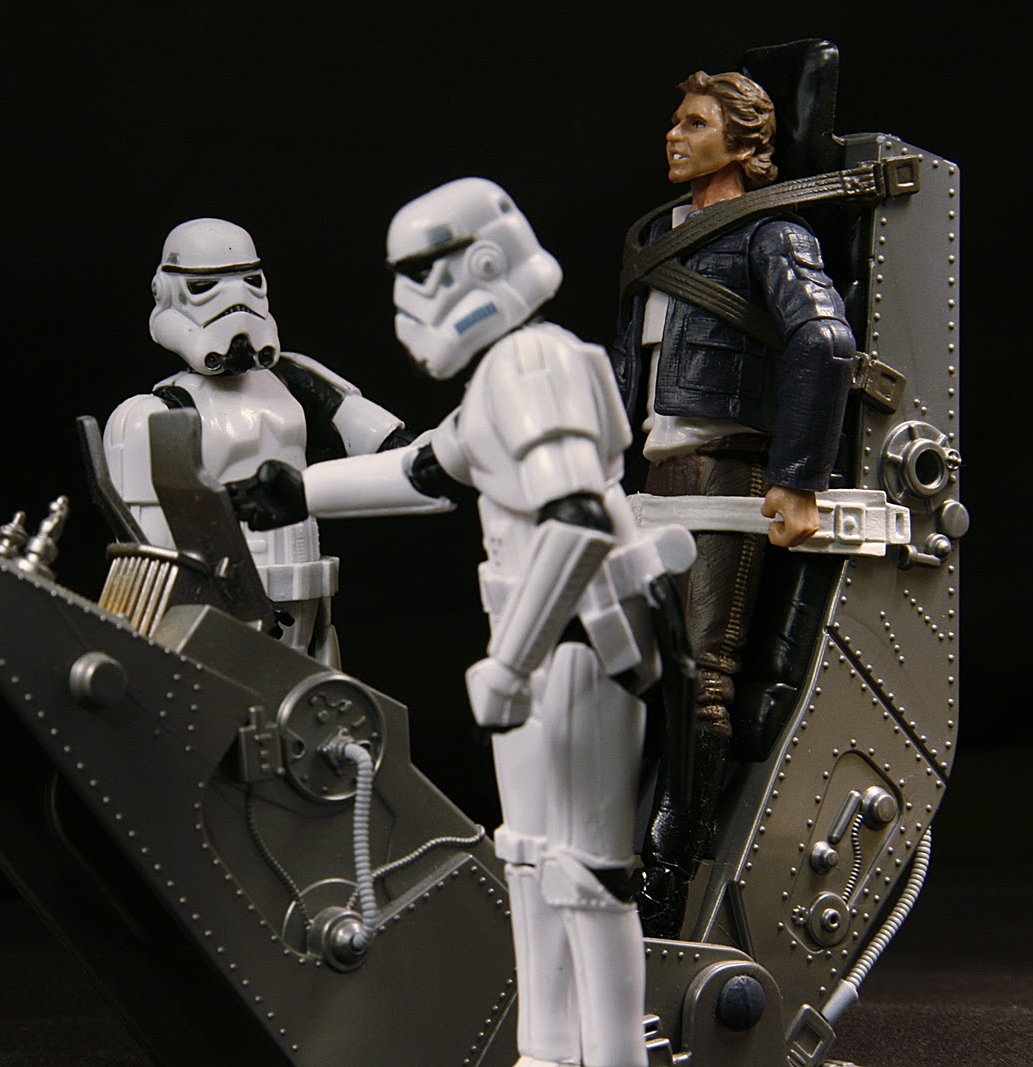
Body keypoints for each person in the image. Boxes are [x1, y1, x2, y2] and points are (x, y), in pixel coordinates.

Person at [230, 178, 693, 1067]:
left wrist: (513, 662)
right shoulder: (506, 375)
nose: (407, 301)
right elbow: (427, 471)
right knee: (529, 858)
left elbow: (576, 521)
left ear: (479, 264)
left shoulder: (531, 367)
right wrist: (302, 490)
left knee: (585, 875)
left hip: (579, 644)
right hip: (543, 645)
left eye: (419, 274)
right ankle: (547, 1053)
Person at [610, 70, 858, 933]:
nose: (674, 135)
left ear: (745, 145)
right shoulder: (661, 238)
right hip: (655, 480)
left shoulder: (770, 234)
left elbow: (824, 340)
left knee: (701, 686)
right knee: (627, 673)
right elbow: (630, 365)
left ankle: (668, 877)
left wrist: (798, 478)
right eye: (675, 120)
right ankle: (609, 855)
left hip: (725, 480)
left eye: (695, 123)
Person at [104, 218, 411, 665]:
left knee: (312, 692)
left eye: (250, 282)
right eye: (206, 287)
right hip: (219, 602)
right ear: (167, 293)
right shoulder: (154, 412)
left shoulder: (294, 380)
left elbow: (396, 450)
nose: (237, 302)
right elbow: (149, 558)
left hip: (308, 590)